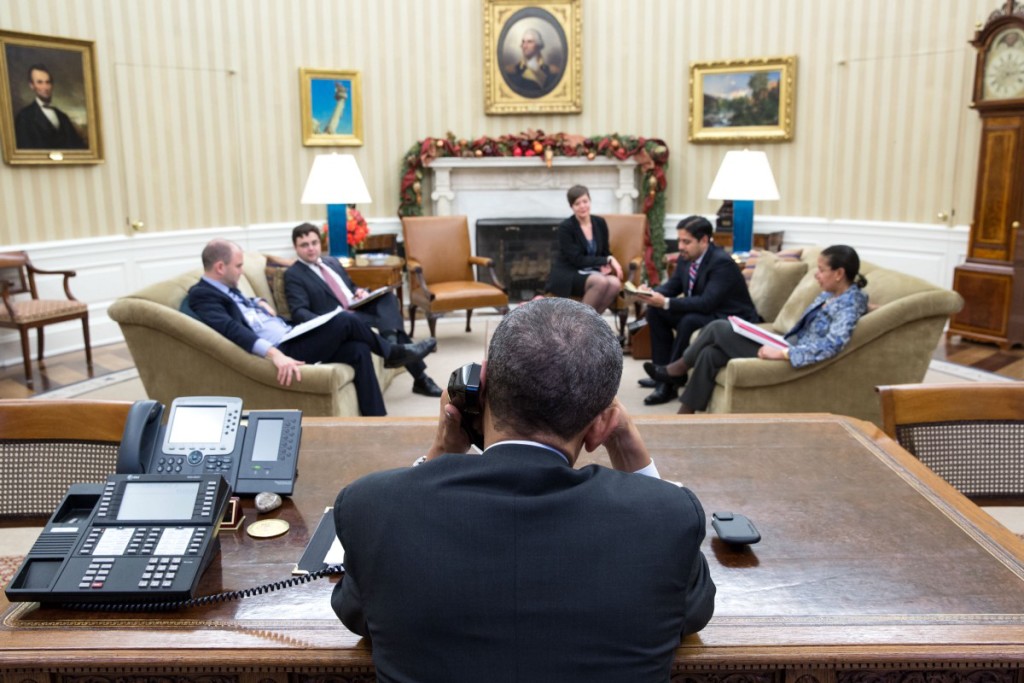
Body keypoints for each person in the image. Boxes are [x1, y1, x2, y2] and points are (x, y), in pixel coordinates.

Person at [331, 298, 716, 681]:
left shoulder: (371, 508)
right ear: (601, 425)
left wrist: (441, 453)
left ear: (478, 393)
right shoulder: (668, 518)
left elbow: (357, 612)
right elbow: (694, 609)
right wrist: (629, 446)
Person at [187, 239, 436, 417]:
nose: (241, 272)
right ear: (220, 267)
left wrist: (257, 301)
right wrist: (275, 355)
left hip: (290, 333)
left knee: (358, 348)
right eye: (238, 266)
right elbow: (232, 329)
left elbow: (241, 308)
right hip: (282, 348)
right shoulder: (202, 295)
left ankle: (376, 420)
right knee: (346, 320)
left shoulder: (223, 288)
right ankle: (392, 353)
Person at [644, 245, 869, 415]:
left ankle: (676, 370)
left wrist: (783, 353)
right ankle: (686, 415)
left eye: (821, 270)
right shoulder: (833, 295)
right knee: (710, 353)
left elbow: (832, 345)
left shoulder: (848, 304)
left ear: (839, 273)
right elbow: (863, 302)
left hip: (792, 355)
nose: (816, 275)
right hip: (786, 342)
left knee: (718, 327)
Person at [284, 223, 442, 397]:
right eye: (304, 245)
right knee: (393, 328)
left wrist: (360, 292)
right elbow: (299, 311)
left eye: (314, 243)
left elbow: (350, 287)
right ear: (295, 247)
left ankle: (391, 344)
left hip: (356, 308)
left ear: (320, 244)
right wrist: (327, 323)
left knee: (388, 297)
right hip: (339, 321)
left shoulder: (332, 262)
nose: (311, 249)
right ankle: (420, 378)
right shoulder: (294, 274)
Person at [634, 215, 759, 406]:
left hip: (728, 317)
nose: (681, 246)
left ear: (704, 240)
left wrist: (666, 301)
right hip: (707, 311)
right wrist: (651, 294)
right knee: (656, 312)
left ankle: (670, 383)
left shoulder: (721, 263)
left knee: (688, 320)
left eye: (686, 241)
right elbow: (673, 286)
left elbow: (707, 302)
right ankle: (661, 373)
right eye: (679, 240)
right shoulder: (687, 258)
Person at [545, 184, 623, 314]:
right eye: (577, 203)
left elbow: (605, 251)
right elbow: (577, 260)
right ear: (572, 207)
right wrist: (608, 260)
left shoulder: (600, 223)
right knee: (600, 282)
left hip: (592, 272)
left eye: (585, 201)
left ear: (590, 201)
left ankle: (591, 325)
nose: (582, 206)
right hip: (569, 273)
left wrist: (606, 265)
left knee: (615, 283)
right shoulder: (566, 227)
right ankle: (579, 325)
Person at [14, 64, 87, 150]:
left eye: (48, 82)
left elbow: (78, 147)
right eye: (40, 82)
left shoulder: (63, 117)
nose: (45, 87)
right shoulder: (24, 117)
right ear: (32, 86)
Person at [503, 26, 560, 97]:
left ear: (538, 45)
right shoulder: (511, 71)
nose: (524, 46)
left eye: (529, 42)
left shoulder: (552, 71)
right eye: (523, 42)